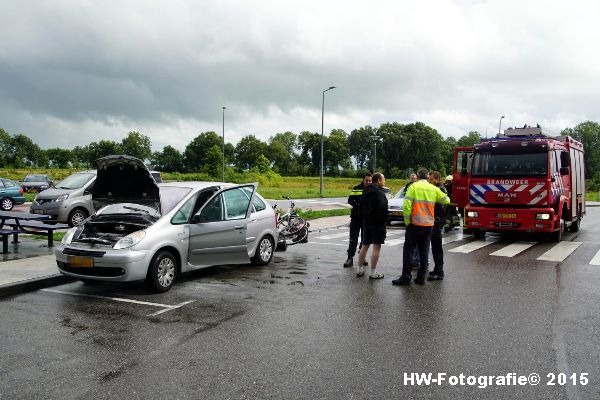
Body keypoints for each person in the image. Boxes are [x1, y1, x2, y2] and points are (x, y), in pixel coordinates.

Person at [392, 167, 450, 286]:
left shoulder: (413, 187)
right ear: (428, 177)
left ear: (417, 177)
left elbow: (407, 206)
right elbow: (447, 200)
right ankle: (421, 277)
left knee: (408, 251)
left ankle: (406, 277)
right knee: (424, 252)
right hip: (428, 225)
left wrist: (407, 221)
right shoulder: (433, 188)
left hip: (415, 224)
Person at [356, 172, 388, 279]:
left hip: (366, 223)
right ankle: (373, 272)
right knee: (376, 247)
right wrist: (386, 219)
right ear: (378, 180)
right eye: (383, 180)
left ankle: (360, 269)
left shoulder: (365, 191)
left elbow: (360, 207)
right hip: (378, 224)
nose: (384, 182)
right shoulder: (379, 193)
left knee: (364, 246)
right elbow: (383, 208)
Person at [343, 173, 372, 268]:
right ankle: (350, 258)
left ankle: (362, 256)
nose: (368, 182)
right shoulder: (357, 188)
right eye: (366, 180)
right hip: (356, 217)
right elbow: (350, 200)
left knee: (365, 239)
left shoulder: (373, 189)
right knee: (353, 239)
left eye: (370, 180)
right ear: (363, 180)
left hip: (367, 218)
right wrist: (357, 206)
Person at [427, 171, 446, 281]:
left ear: (437, 180)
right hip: (436, 222)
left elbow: (440, 208)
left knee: (437, 248)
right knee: (435, 248)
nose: (429, 181)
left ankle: (439, 272)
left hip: (437, 222)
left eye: (432, 179)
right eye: (429, 178)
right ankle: (437, 269)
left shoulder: (440, 190)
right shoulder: (438, 189)